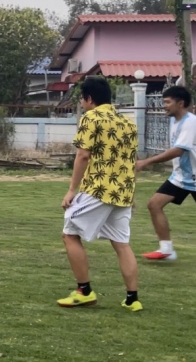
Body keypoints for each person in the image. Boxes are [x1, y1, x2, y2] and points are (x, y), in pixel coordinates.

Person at [57, 77, 142, 312]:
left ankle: (84, 291)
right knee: (122, 244)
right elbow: (131, 161)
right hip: (123, 191)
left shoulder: (91, 118)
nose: (81, 104)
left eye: (82, 99)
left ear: (89, 98)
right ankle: (132, 299)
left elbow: (83, 155)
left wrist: (71, 190)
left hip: (99, 188)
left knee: (69, 233)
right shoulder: (128, 123)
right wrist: (130, 193)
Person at [135, 86, 196, 261]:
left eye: (167, 102)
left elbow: (178, 151)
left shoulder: (190, 122)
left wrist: (146, 161)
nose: (164, 106)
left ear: (180, 103)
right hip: (180, 177)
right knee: (154, 204)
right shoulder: (174, 121)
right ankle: (166, 249)